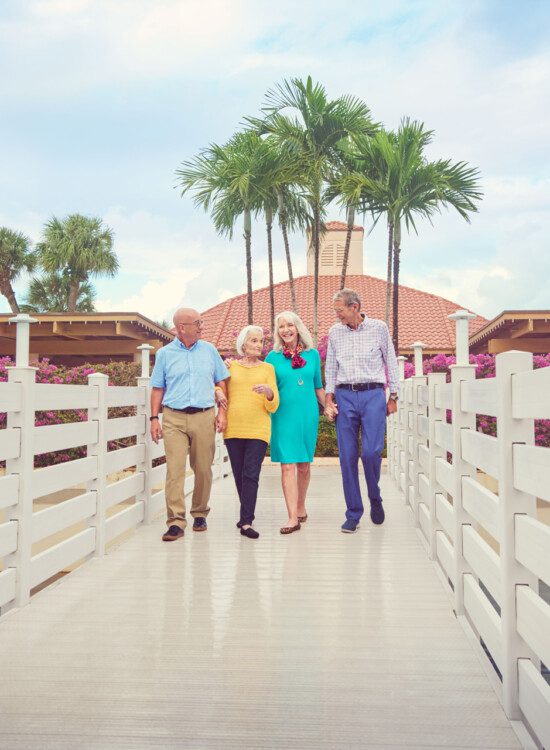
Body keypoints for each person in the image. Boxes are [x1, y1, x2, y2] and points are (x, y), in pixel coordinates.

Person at [150, 307, 229, 541]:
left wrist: (222, 413)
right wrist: (154, 418)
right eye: (198, 322)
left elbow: (221, 382)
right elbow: (157, 388)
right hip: (173, 417)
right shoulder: (164, 354)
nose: (202, 326)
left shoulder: (210, 350)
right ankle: (175, 521)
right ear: (182, 327)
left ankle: (200, 513)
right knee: (174, 470)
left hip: (204, 415)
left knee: (203, 469)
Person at [324, 289, 399, 533]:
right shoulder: (335, 332)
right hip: (345, 395)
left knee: (371, 452)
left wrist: (394, 395)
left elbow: (391, 360)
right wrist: (329, 398)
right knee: (347, 457)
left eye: (340, 311)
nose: (338, 316)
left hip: (373, 395)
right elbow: (331, 368)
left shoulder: (379, 328)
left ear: (354, 307)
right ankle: (353, 513)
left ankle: (374, 496)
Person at [265, 311, 326, 534]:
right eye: (281, 326)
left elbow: (318, 386)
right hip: (282, 415)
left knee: (303, 465)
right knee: (287, 464)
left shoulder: (313, 355)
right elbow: (267, 389)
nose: (286, 330)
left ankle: (301, 506)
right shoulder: (272, 358)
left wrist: (328, 405)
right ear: (277, 331)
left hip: (307, 415)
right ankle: (292, 517)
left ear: (298, 327)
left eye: (290, 325)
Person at [222, 325, 279, 539]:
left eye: (261, 341)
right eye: (254, 341)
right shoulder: (231, 367)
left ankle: (246, 521)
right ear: (243, 344)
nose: (258, 345)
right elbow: (219, 388)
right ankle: (244, 514)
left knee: (251, 473)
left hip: (258, 428)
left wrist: (269, 392)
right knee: (239, 474)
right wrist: (218, 392)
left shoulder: (267, 369)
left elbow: (274, 405)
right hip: (234, 427)